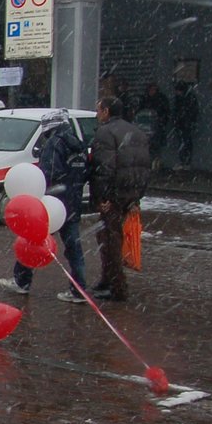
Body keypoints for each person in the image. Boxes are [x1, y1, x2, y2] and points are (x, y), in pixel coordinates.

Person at [0, 109, 90, 303]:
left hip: (52, 202)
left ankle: (21, 280)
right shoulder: (78, 144)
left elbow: (49, 173)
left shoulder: (55, 143)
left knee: (32, 240)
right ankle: (79, 289)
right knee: (74, 248)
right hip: (72, 202)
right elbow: (83, 173)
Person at [89, 95, 150, 302]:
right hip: (129, 194)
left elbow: (103, 168)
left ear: (106, 111)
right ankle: (108, 281)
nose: (97, 114)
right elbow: (143, 167)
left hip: (114, 196)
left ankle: (116, 286)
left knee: (109, 240)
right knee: (109, 237)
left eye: (99, 110)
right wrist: (136, 196)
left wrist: (104, 196)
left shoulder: (105, 133)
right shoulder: (137, 132)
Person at [139, 82, 170, 166]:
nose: (152, 91)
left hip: (157, 126)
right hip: (145, 126)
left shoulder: (161, 99)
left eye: (154, 90)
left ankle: (156, 162)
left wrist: (161, 120)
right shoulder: (145, 99)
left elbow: (166, 112)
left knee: (156, 145)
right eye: (151, 89)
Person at [172, 80, 199, 168]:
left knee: (185, 142)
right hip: (181, 124)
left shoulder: (189, 98)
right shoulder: (182, 98)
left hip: (185, 124)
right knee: (183, 141)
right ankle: (184, 161)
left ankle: (186, 161)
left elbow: (193, 111)